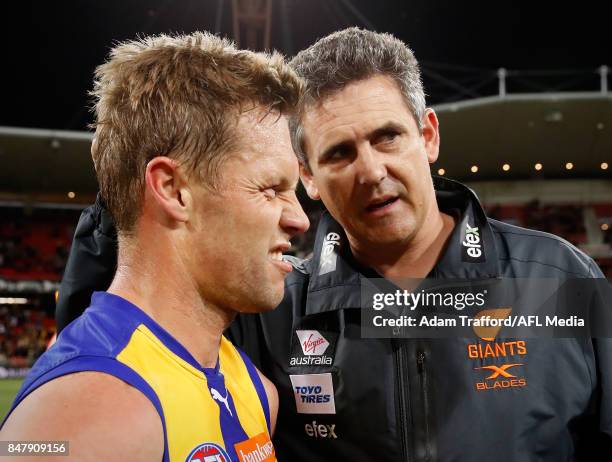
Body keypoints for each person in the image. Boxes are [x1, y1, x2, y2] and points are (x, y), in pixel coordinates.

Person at [54, 28, 611, 461]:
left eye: (387, 136)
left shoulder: (559, 276)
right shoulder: (271, 307)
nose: (370, 170)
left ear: (428, 136)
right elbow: (120, 351)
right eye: (339, 153)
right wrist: (131, 181)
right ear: (309, 178)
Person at [1, 31, 309, 462]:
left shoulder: (254, 389)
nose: (299, 218)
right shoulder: (81, 422)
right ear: (173, 189)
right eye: (271, 188)